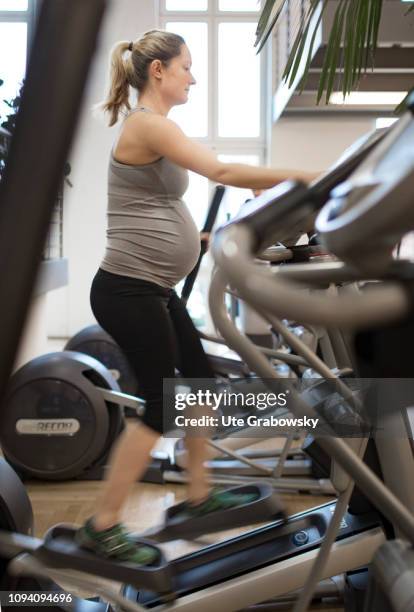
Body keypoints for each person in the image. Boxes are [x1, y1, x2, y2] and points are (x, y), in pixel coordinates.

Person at [76, 29, 316, 565]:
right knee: (162, 407)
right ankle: (102, 525)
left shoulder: (158, 127)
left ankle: (200, 497)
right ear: (157, 71)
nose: (194, 76)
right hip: (127, 288)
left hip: (151, 288)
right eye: (186, 66)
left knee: (201, 383)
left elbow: (160, 205)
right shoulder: (147, 125)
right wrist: (309, 177)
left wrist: (202, 239)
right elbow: (222, 171)